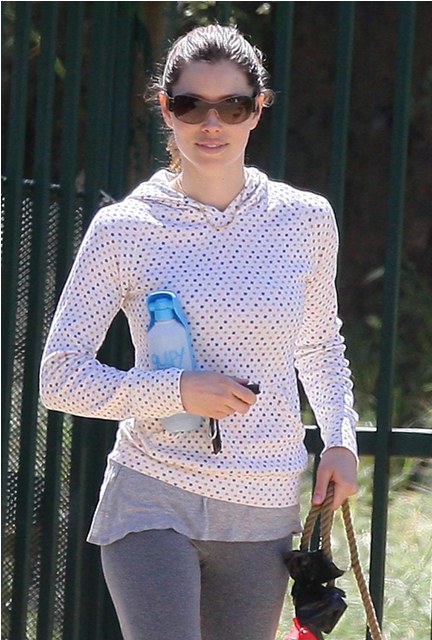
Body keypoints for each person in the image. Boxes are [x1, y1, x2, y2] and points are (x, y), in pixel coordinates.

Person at [40, 24, 358, 640]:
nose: (211, 124)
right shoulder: (124, 228)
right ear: (166, 109)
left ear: (257, 110)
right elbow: (60, 377)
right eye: (191, 105)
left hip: (264, 503)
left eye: (232, 106)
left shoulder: (305, 219)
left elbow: (321, 346)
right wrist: (176, 390)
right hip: (152, 492)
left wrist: (340, 440)